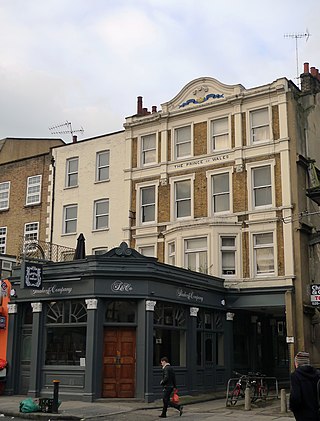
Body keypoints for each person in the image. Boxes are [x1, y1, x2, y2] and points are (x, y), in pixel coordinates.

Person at [289, 351, 320, 421]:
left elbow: (296, 397)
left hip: (303, 414)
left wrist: (293, 409)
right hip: (317, 413)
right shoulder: (317, 374)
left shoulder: (296, 376)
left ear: (297, 363)